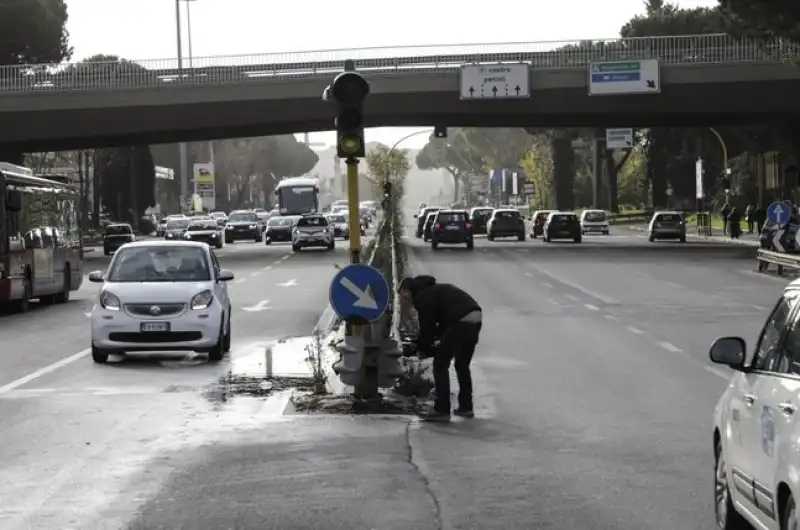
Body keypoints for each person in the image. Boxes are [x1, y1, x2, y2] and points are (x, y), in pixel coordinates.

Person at [398, 275, 482, 422]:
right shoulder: (436, 290)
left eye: (404, 296)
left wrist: (422, 347)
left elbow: (427, 327)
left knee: (440, 365)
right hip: (475, 317)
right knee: (462, 365)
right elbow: (442, 324)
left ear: (408, 290)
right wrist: (431, 342)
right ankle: (466, 407)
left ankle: (442, 409)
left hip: (460, 321)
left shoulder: (422, 297)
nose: (405, 300)